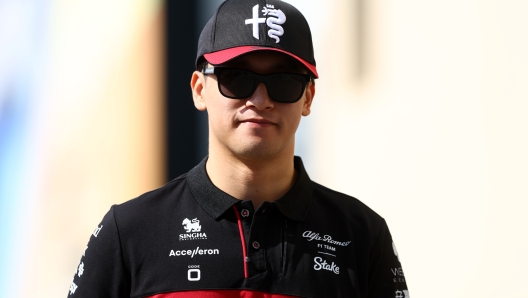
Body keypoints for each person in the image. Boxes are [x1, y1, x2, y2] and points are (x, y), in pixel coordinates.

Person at [68, 0, 409, 297]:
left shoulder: (362, 236)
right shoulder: (128, 232)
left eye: (284, 82)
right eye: (236, 78)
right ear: (199, 89)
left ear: (307, 97)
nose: (260, 100)